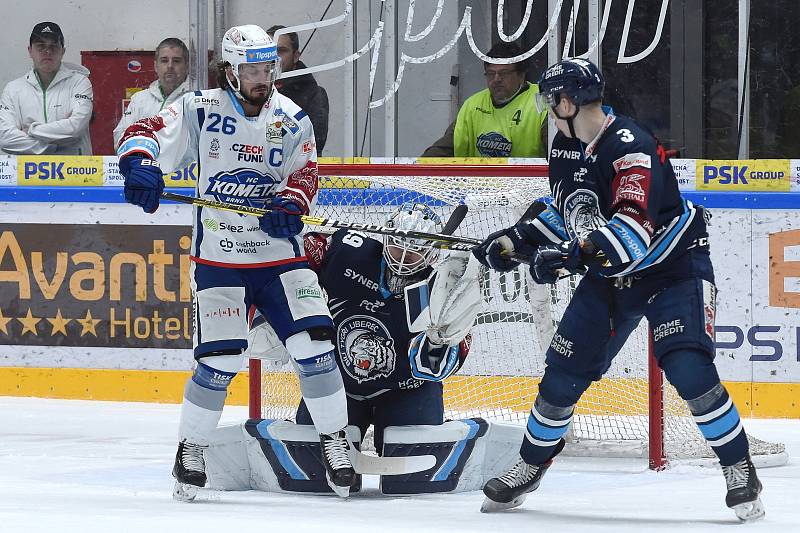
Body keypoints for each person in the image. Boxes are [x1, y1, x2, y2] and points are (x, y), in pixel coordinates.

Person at [473, 58, 765, 521]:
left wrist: (567, 259)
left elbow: (630, 234)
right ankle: (529, 467)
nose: (548, 112)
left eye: (551, 103)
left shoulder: (632, 148)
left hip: (674, 270)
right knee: (560, 378)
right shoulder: (567, 147)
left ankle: (739, 467)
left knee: (688, 368)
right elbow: (565, 210)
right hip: (611, 278)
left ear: (566, 102)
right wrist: (517, 240)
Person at [116, 24, 355, 500]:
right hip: (219, 260)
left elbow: (306, 171)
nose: (262, 77)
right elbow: (144, 132)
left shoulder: (291, 117)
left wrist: (292, 202)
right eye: (251, 68)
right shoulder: (198, 109)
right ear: (229, 70)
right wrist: (139, 164)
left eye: (269, 67)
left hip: (281, 261)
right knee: (221, 360)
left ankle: (335, 442)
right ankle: (191, 448)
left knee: (316, 348)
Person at [242, 203, 524, 495]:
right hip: (338, 386)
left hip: (408, 390)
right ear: (386, 237)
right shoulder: (349, 253)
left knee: (413, 481)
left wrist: (439, 339)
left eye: (414, 252)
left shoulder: (443, 287)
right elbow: (298, 257)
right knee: (313, 475)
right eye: (398, 247)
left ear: (432, 253)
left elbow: (438, 366)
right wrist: (303, 248)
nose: (403, 258)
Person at [421, 41, 547, 158]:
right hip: (480, 182)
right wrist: (414, 173)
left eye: (504, 73)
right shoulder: (473, 105)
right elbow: (442, 150)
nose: (497, 79)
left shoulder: (542, 101)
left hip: (526, 181)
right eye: (491, 74)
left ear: (521, 75)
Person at [0, 22, 93, 155]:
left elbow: (75, 128)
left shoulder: (80, 82)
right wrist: (53, 146)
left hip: (75, 172)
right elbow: (5, 138)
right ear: (30, 51)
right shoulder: (13, 89)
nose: (47, 51)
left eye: (53, 46)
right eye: (40, 46)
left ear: (63, 51)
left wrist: (31, 130)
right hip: (29, 173)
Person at [112, 38, 193, 147]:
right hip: (144, 161)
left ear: (187, 66)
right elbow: (120, 137)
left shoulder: (196, 98)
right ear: (156, 66)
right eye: (164, 60)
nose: (170, 66)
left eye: (176, 61)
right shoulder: (139, 99)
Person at [267, 25, 329, 155]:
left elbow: (313, 145)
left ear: (295, 56)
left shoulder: (314, 95)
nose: (274, 57)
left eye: (281, 51)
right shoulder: (251, 93)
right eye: (268, 51)